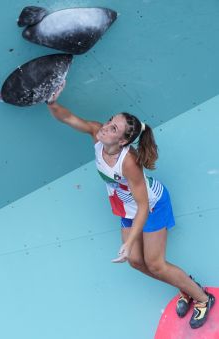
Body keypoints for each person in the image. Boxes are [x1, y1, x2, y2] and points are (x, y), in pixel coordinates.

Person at [46, 81, 215, 329]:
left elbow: (144, 206)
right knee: (136, 261)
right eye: (109, 121)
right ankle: (184, 284)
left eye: (113, 128)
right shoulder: (96, 134)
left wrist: (128, 241)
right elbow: (68, 118)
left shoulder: (129, 163)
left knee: (156, 264)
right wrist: (51, 102)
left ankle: (202, 298)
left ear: (123, 141)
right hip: (126, 207)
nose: (105, 128)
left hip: (152, 206)